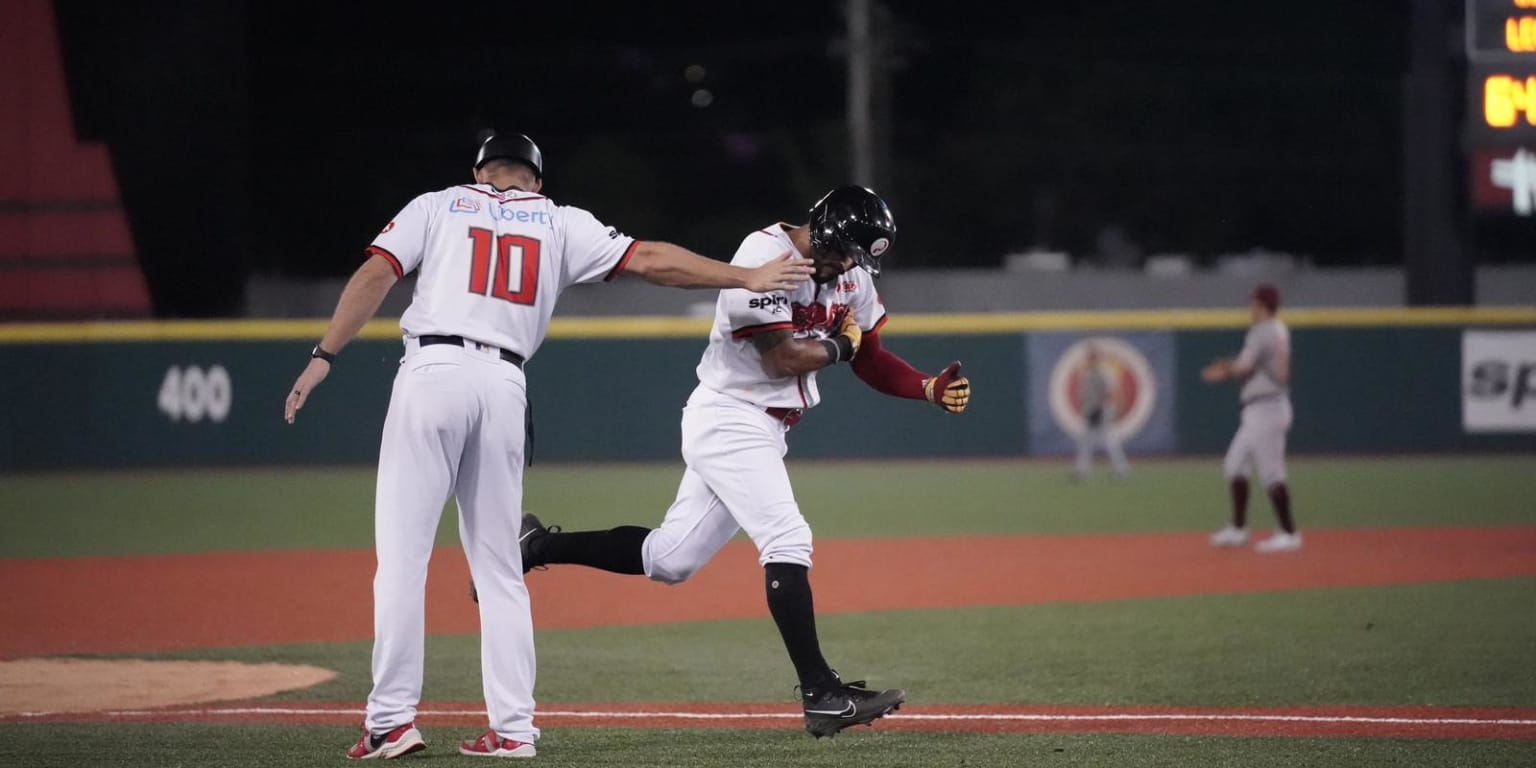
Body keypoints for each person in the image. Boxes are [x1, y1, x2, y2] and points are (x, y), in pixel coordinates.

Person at [282, 131, 812, 760]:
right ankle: (513, 730)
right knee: (501, 569)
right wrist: (746, 273)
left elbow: (376, 272)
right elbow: (653, 260)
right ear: (536, 179)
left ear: (479, 171)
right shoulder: (560, 222)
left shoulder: (437, 203)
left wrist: (324, 355)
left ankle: (391, 723)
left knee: (403, 559)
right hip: (505, 384)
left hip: (432, 373)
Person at [506, 186, 972, 739]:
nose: (849, 263)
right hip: (729, 416)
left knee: (669, 559)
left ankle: (534, 545)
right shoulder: (761, 256)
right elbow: (781, 360)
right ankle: (822, 695)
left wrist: (924, 386)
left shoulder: (852, 277)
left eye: (857, 255)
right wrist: (841, 348)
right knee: (787, 538)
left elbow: (869, 357)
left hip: (766, 428)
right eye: (844, 248)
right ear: (821, 227)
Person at [1201, 283, 1299, 553]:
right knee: (1234, 464)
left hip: (1266, 408)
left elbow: (1244, 367)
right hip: (1263, 407)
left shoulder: (1262, 331)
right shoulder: (1279, 329)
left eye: (1254, 303)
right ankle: (1238, 529)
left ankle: (1289, 533)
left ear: (1263, 305)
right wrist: (1232, 368)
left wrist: (1223, 369)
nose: (1251, 307)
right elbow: (1253, 367)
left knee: (1271, 473)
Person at [1072, 343, 1131, 480]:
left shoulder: (1104, 372)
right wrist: (1083, 407)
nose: (1090, 358)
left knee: (1108, 439)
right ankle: (1083, 470)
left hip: (1102, 409)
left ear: (1097, 358)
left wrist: (1113, 409)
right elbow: (1084, 394)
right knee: (1088, 440)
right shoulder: (1087, 372)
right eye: (1089, 356)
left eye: (1093, 356)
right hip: (1091, 409)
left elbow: (1112, 392)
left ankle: (1121, 469)